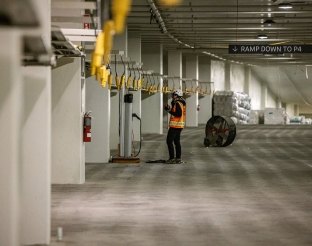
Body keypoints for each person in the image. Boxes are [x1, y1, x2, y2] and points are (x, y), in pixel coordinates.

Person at [164, 89, 186, 164]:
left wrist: (169, 110)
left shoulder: (178, 103)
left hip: (175, 126)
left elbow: (178, 114)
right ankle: (178, 158)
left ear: (177, 95)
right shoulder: (181, 102)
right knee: (176, 142)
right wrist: (171, 107)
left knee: (169, 141)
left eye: (173, 95)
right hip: (179, 125)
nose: (172, 96)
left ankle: (172, 158)